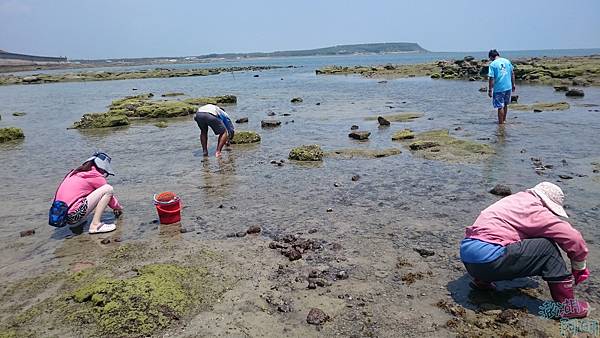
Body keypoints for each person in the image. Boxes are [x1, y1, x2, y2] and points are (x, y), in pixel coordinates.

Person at [460, 182, 590, 319]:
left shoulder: (513, 200)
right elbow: (573, 238)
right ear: (547, 204)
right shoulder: (535, 210)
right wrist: (579, 266)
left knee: (508, 239)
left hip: (469, 258)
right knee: (547, 247)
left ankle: (482, 281)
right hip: (489, 259)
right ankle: (566, 306)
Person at [55, 152, 123, 234]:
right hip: (73, 215)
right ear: (101, 167)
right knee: (108, 189)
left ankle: (76, 224)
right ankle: (95, 225)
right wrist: (118, 207)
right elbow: (110, 198)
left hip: (64, 216)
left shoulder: (75, 173)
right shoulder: (95, 175)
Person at [487, 49, 515, 124]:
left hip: (499, 88)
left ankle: (500, 123)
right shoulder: (507, 61)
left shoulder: (493, 64)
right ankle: (504, 120)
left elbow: (491, 78)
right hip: (508, 87)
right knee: (505, 104)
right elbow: (512, 73)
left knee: (500, 106)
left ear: (491, 57)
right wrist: (513, 84)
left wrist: (490, 90)